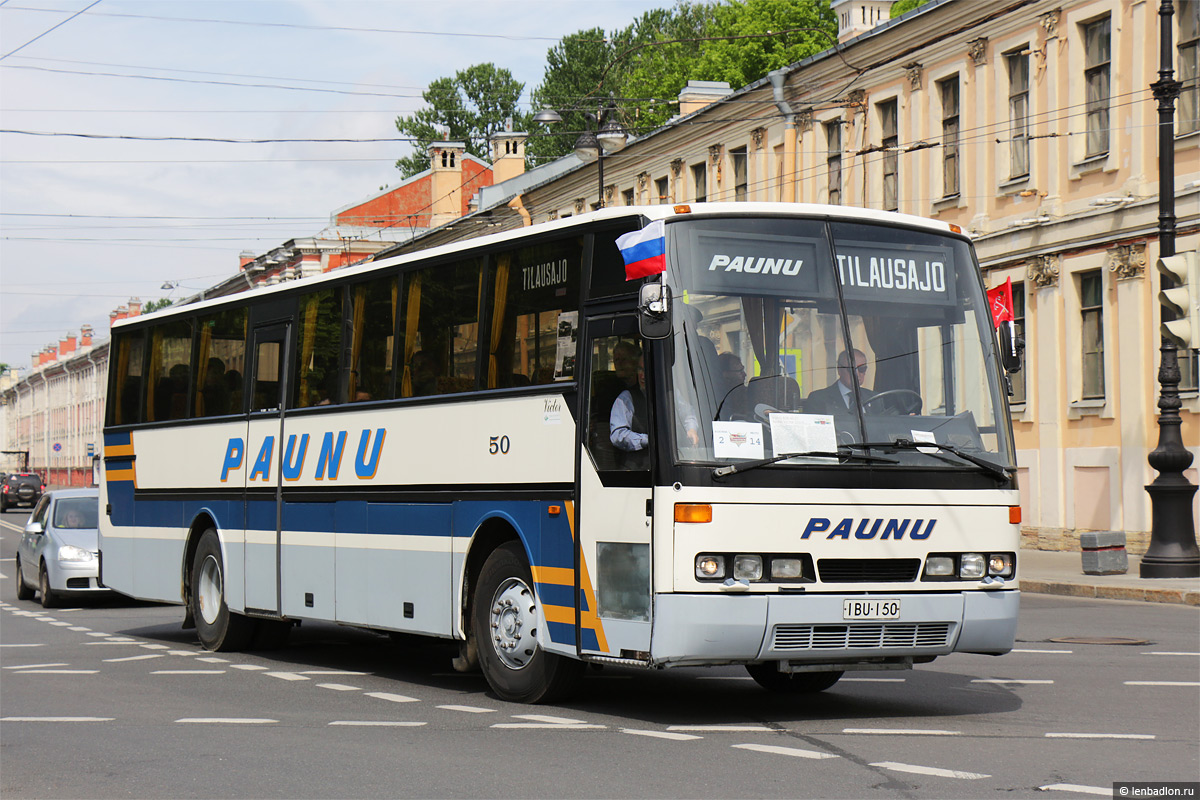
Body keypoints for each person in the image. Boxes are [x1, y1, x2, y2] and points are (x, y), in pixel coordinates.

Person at [805, 348, 877, 414]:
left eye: (862, 369)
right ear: (839, 369)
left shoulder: (875, 399)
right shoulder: (819, 399)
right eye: (851, 369)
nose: (857, 374)